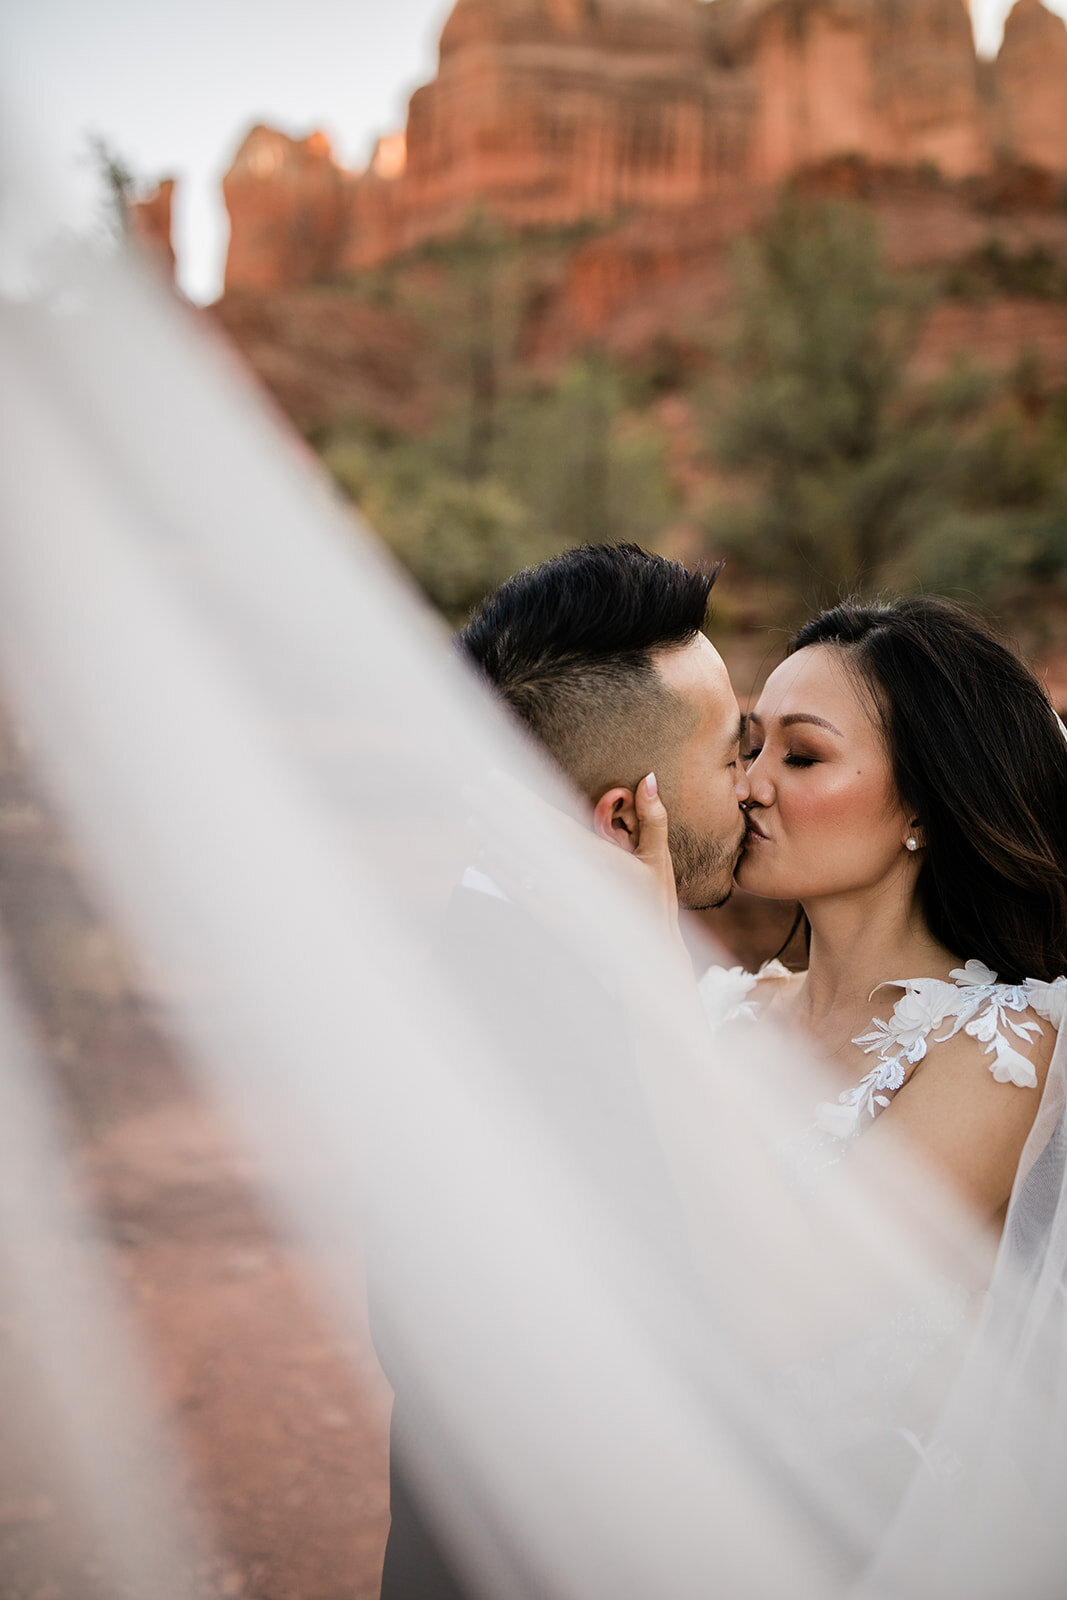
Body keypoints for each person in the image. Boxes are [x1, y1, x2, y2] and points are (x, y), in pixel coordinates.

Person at [378, 541, 750, 1599]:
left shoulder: (582, 954)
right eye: (732, 756)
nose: (753, 786)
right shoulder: (506, 1028)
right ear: (622, 819)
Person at [694, 596, 1067, 1221]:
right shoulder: (721, 1006)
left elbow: (793, 1302)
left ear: (923, 806)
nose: (749, 786)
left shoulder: (1002, 1049)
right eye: (751, 749)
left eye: (803, 756)